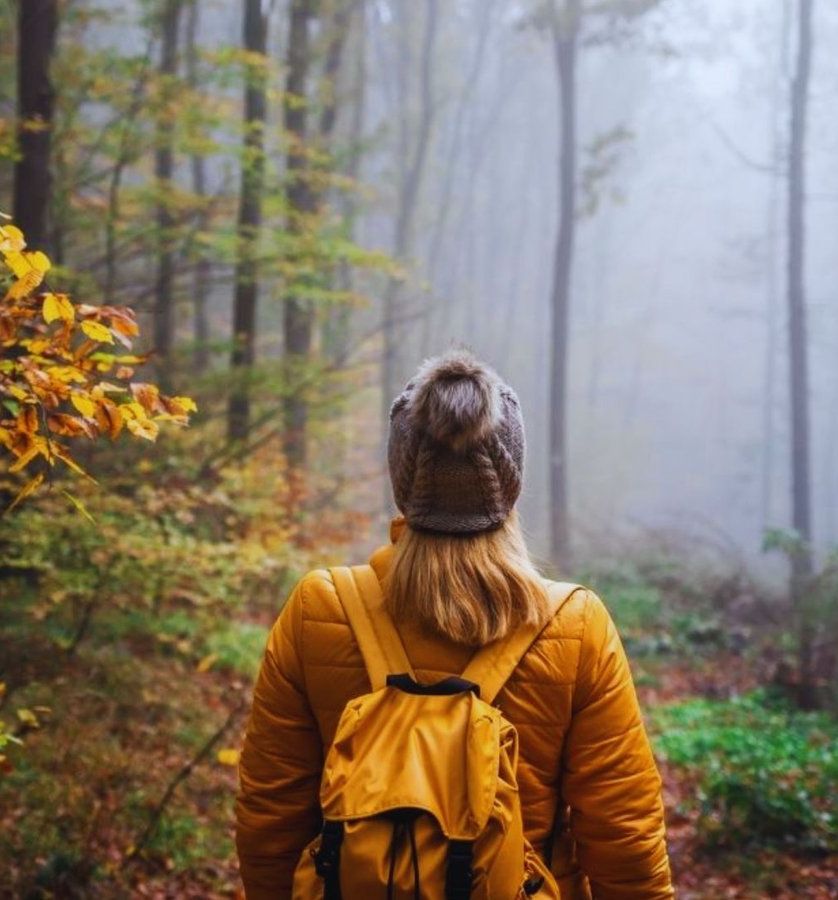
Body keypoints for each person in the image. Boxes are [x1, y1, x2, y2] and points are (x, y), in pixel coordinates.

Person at [234, 350, 674, 899]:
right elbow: (623, 835)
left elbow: (270, 820)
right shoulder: (576, 625)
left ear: (404, 478)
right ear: (510, 482)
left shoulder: (319, 609)